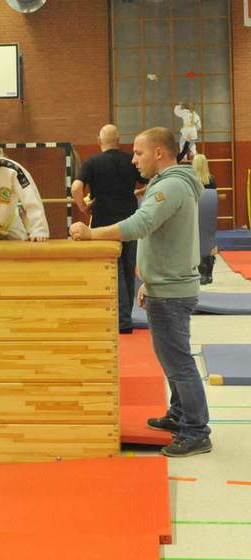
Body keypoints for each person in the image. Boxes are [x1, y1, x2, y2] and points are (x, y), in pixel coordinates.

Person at [69, 127, 212, 458]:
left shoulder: (171, 186)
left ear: (159, 153)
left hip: (173, 290)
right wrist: (149, 280)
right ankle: (180, 413)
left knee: (178, 361)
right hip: (166, 284)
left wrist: (92, 234)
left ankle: (196, 430)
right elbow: (163, 237)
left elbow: (140, 225)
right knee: (170, 357)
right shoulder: (167, 183)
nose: (133, 160)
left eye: (138, 153)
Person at [71, 124, 147, 333]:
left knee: (113, 270)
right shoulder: (130, 161)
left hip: (103, 224)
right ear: (119, 141)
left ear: (99, 141)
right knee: (128, 269)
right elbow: (151, 178)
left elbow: (76, 187)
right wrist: (139, 192)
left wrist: (83, 207)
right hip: (130, 222)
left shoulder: (92, 162)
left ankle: (119, 319)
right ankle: (125, 316)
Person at [192, 154, 217, 284]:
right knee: (209, 241)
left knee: (198, 241)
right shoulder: (211, 179)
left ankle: (202, 273)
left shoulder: (192, 180)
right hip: (209, 214)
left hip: (196, 213)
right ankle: (209, 274)